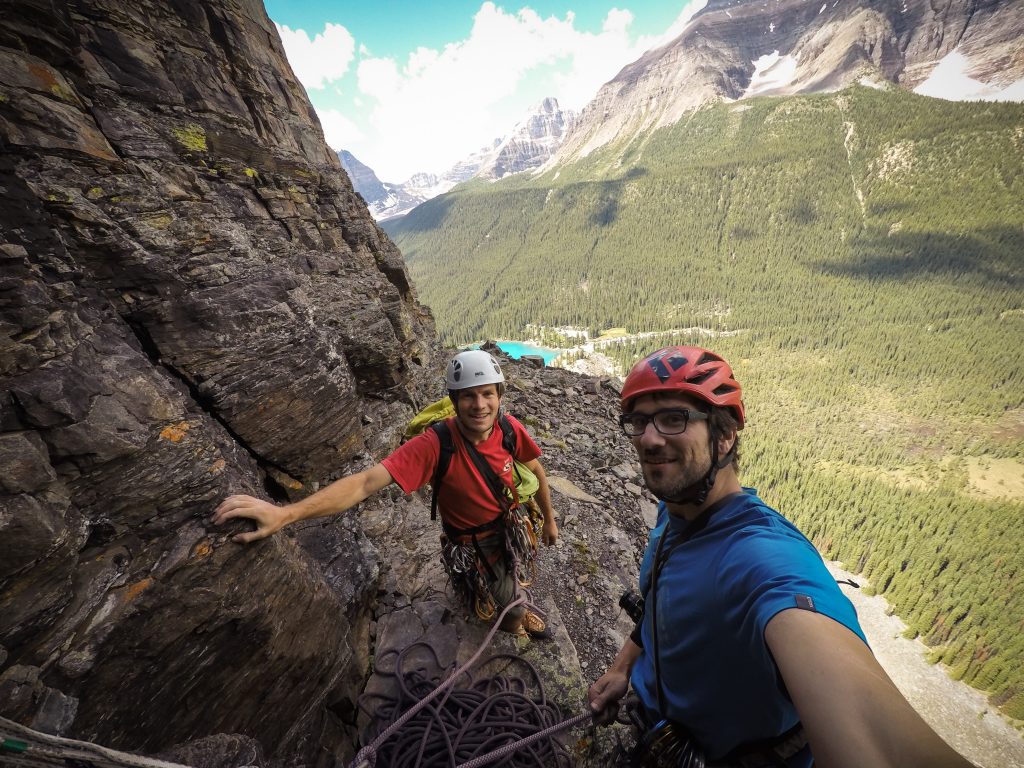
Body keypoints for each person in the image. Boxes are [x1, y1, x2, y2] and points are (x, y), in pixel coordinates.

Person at [588, 346, 972, 768]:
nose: (649, 438)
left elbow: (877, 743)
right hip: (661, 732)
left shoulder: (762, 559)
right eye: (639, 421)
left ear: (725, 435)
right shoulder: (673, 509)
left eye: (674, 418)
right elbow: (659, 604)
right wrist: (623, 668)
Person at [213, 350, 558, 638]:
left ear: (499, 396)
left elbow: (536, 469)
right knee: (512, 606)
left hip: (508, 527)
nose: (479, 405)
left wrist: (549, 522)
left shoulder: (509, 429)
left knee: (507, 581)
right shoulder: (435, 445)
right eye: (469, 395)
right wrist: (285, 514)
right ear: (454, 401)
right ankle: (515, 629)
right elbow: (364, 483)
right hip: (473, 543)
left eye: (487, 394)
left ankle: (504, 604)